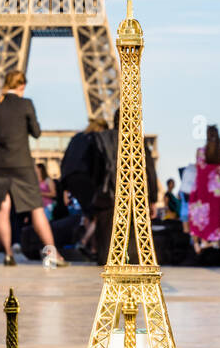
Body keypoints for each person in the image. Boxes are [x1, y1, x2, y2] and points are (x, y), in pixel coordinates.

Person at [0, 70, 68, 268]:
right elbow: (36, 133)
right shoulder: (26, 104)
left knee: (2, 209)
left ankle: (8, 254)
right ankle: (53, 254)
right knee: (36, 209)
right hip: (22, 163)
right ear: (21, 86)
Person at [91, 109, 159, 266]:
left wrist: (96, 193)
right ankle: (133, 262)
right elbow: (149, 171)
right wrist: (152, 198)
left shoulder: (102, 138)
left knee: (106, 242)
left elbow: (95, 170)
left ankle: (106, 262)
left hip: (107, 194)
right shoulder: (138, 140)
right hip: (133, 193)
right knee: (134, 237)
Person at [60, 119, 105, 256]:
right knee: (98, 213)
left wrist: (64, 186)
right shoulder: (96, 138)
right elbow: (97, 161)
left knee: (88, 212)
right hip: (85, 177)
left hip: (70, 178)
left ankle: (93, 248)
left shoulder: (77, 137)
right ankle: (85, 242)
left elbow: (65, 159)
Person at [186, 125, 220, 251]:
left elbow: (200, 171)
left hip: (203, 189)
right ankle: (216, 241)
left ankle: (204, 242)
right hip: (218, 191)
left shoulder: (200, 152)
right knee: (216, 217)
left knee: (202, 217)